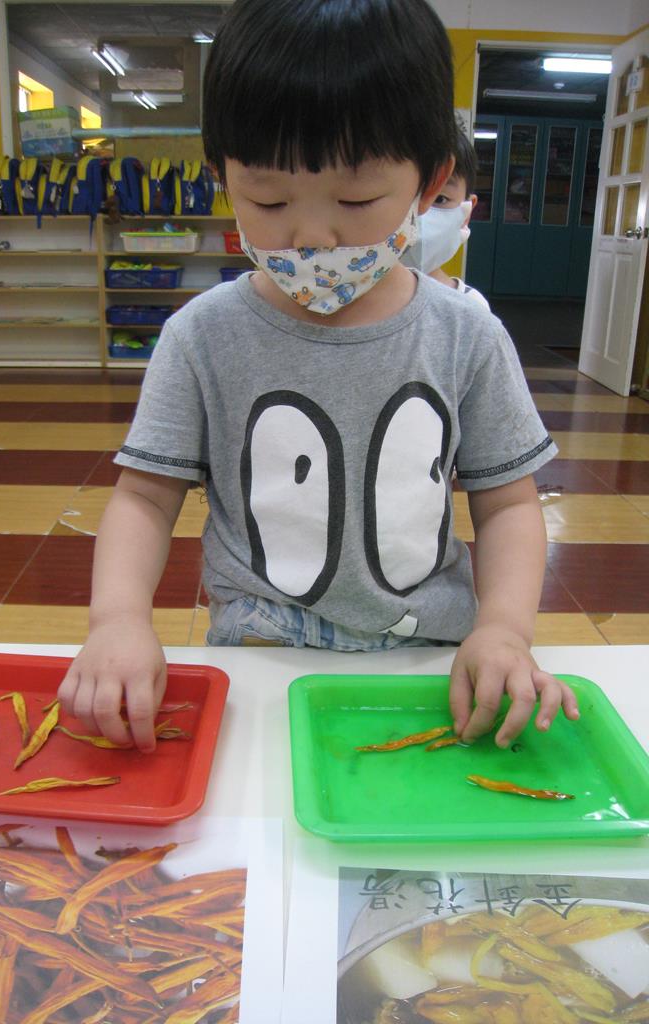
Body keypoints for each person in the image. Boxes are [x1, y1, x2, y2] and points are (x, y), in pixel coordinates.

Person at [58, 0, 578, 755]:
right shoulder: (202, 337)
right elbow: (143, 497)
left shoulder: (467, 335)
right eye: (268, 200)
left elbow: (508, 506)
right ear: (223, 178)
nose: (311, 236)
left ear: (429, 182)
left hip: (430, 663)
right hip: (259, 660)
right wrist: (117, 621)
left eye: (357, 199)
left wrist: (503, 630)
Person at [402, 128, 490, 308]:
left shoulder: (471, 308)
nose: (420, 215)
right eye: (405, 197)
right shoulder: (347, 303)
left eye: (439, 199)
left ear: (466, 214)